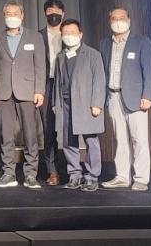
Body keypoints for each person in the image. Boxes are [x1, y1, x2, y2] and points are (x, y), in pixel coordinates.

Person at [0, 1, 46, 188]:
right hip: (4, 91)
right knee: (6, 135)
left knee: (30, 134)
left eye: (15, 13)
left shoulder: (34, 37)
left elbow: (40, 66)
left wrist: (39, 90)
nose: (12, 17)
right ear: (4, 16)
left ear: (22, 15)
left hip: (27, 91)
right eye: (8, 14)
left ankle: (30, 174)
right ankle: (8, 173)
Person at [99, 8, 151, 192]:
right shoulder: (105, 44)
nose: (118, 21)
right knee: (120, 140)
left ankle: (141, 178)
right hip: (113, 96)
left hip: (136, 98)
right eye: (114, 18)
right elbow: (103, 71)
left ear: (129, 20)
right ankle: (122, 176)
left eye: (122, 18)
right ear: (110, 22)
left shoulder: (141, 42)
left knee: (139, 140)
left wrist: (147, 95)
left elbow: (149, 71)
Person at [54, 19, 106, 192]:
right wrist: (56, 104)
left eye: (73, 33)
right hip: (66, 103)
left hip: (86, 103)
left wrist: (97, 103)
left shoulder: (92, 54)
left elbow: (99, 80)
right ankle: (74, 175)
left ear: (80, 34)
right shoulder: (60, 56)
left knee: (91, 140)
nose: (69, 36)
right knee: (68, 141)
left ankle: (91, 177)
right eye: (66, 33)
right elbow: (57, 83)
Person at [39, 0, 65, 186]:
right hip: (46, 84)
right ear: (45, 14)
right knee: (49, 130)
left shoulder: (70, 33)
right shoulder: (38, 36)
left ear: (63, 14)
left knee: (71, 128)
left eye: (57, 11)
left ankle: (73, 170)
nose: (53, 14)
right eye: (50, 11)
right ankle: (53, 170)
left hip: (66, 84)